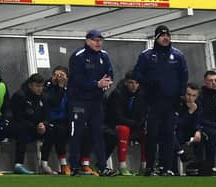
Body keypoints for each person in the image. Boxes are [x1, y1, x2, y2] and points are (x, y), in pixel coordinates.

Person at [133, 25, 188, 176]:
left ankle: (166, 167)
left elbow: (184, 77)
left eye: (168, 36)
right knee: (152, 135)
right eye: (162, 36)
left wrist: (181, 96)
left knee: (169, 135)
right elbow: (136, 73)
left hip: (171, 103)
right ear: (156, 38)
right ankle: (150, 167)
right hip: (153, 102)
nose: (166, 38)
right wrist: (148, 82)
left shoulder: (177, 55)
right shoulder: (147, 55)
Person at [67, 29, 116, 176]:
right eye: (95, 40)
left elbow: (110, 72)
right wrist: (96, 84)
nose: (98, 42)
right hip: (79, 101)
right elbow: (77, 79)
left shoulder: (104, 56)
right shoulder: (78, 56)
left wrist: (107, 82)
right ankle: (74, 166)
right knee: (76, 133)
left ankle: (102, 166)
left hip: (96, 102)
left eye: (100, 40)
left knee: (98, 133)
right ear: (87, 41)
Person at [105, 71, 148, 176]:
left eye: (137, 83)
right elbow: (117, 117)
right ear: (125, 82)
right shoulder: (117, 94)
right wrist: (135, 123)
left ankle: (144, 167)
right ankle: (122, 166)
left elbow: (143, 114)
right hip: (116, 126)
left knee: (148, 132)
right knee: (124, 130)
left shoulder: (142, 95)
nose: (134, 86)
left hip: (134, 126)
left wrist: (140, 123)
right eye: (131, 83)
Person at [174, 83, 216, 176]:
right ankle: (174, 169)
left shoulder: (198, 104)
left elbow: (198, 120)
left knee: (207, 135)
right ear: (184, 93)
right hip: (179, 132)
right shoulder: (177, 103)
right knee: (172, 136)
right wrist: (190, 112)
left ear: (197, 96)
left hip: (191, 131)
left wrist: (198, 131)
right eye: (188, 94)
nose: (190, 98)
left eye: (193, 95)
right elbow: (177, 124)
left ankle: (204, 166)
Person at [11, 73, 47, 174]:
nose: (40, 89)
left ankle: (45, 164)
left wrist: (43, 124)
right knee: (22, 130)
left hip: (37, 127)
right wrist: (36, 127)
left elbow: (47, 115)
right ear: (30, 85)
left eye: (41, 86)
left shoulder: (43, 97)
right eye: (37, 86)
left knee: (53, 130)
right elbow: (18, 117)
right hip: (18, 125)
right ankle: (18, 164)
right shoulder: (20, 95)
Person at [40, 66, 71, 175]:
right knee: (57, 130)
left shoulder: (70, 90)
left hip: (65, 121)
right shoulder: (46, 88)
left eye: (61, 75)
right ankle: (62, 164)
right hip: (49, 121)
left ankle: (82, 164)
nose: (58, 78)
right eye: (56, 75)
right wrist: (58, 86)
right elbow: (54, 102)